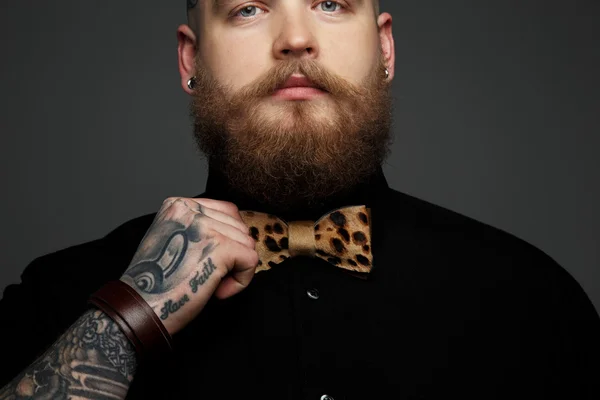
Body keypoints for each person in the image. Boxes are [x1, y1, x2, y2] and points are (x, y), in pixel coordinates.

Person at [0, 0, 598, 399]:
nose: (294, 39)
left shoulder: (535, 302)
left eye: (331, 2)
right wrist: (130, 315)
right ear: (191, 60)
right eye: (249, 9)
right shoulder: (59, 298)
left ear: (385, 49)